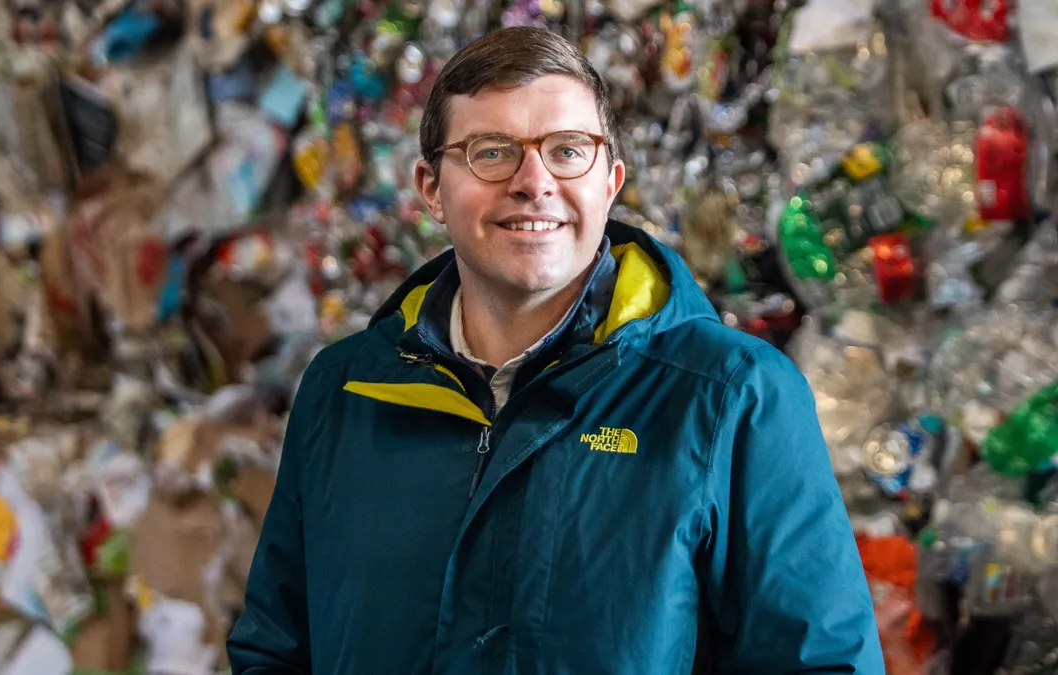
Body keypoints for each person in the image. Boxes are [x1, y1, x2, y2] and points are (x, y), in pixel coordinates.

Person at [228, 26, 883, 674]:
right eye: (491, 151)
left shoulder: (731, 393)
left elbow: (822, 663)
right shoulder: (342, 391)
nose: (534, 180)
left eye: (569, 150)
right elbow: (274, 650)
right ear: (430, 188)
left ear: (611, 181)